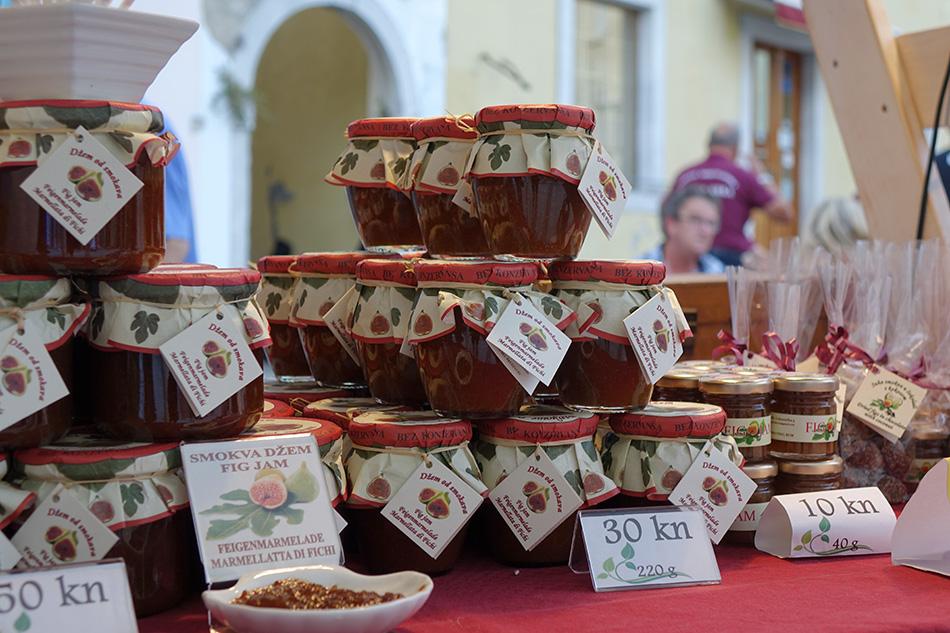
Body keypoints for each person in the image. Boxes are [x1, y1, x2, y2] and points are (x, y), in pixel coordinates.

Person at [670, 122, 792, 266]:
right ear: (735, 149)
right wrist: (762, 176)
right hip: (733, 256)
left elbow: (667, 212)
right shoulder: (742, 176)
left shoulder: (685, 175)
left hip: (688, 255)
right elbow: (785, 212)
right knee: (775, 269)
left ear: (709, 145)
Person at [643, 186, 725, 274]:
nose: (706, 231)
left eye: (711, 223)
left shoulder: (719, 273)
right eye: (695, 219)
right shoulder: (639, 271)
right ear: (671, 224)